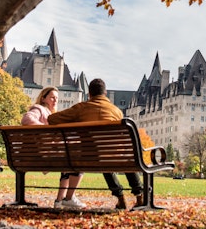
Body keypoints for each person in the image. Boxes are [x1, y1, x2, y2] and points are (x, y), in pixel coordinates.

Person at [48, 78, 144, 210]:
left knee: (101, 155)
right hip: (116, 156)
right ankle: (140, 195)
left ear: (90, 94)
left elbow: (52, 119)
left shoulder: (81, 108)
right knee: (117, 156)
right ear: (105, 94)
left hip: (90, 157)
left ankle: (120, 197)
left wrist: (75, 122)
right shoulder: (116, 111)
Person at [23, 86, 85, 209]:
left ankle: (59, 200)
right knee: (76, 160)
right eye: (52, 97)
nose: (55, 100)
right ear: (43, 98)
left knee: (69, 162)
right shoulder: (39, 108)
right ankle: (68, 198)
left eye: (56, 98)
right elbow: (27, 119)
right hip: (41, 155)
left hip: (41, 153)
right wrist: (47, 129)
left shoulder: (52, 114)